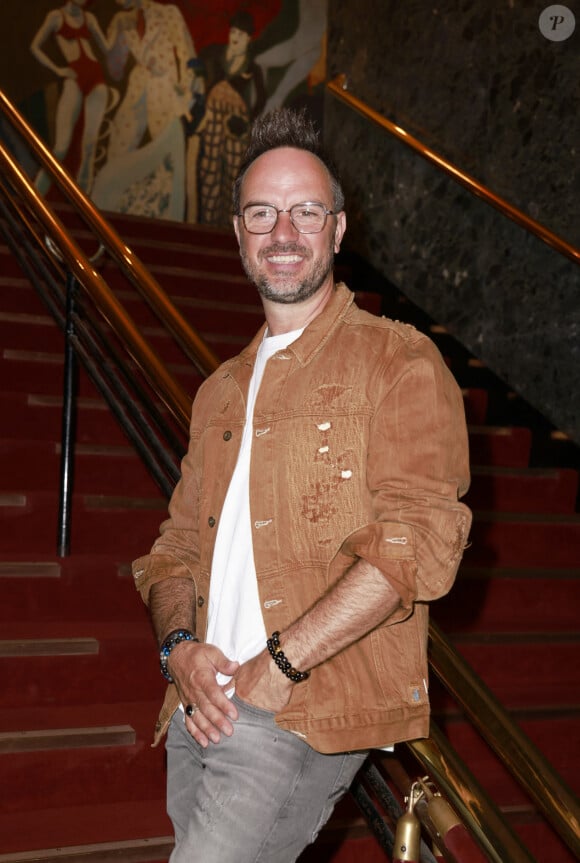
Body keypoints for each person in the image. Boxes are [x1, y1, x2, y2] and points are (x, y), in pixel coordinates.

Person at [132, 107, 472, 863]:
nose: (283, 231)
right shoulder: (219, 390)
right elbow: (174, 548)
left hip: (298, 708)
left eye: (306, 211)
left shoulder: (400, 363)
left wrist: (279, 666)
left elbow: (416, 545)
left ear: (339, 228)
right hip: (199, 701)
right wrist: (179, 649)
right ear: (237, 232)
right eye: (262, 212)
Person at [30, 0, 114, 194]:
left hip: (96, 77)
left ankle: (84, 201)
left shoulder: (89, 18)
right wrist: (58, 70)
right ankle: (35, 194)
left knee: (90, 146)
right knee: (61, 147)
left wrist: (119, 34)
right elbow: (35, 47)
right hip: (74, 77)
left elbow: (107, 50)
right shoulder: (56, 17)